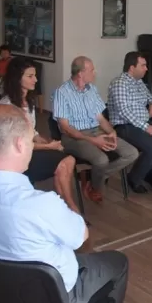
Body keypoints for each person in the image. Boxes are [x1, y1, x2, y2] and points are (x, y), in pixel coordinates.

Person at [0, 105, 129, 303]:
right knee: (118, 261)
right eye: (30, 141)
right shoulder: (41, 204)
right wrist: (70, 207)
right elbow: (81, 237)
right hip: (51, 298)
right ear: (19, 144)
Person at [53, 56, 139, 203]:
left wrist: (111, 131)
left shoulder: (92, 89)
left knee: (131, 153)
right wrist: (93, 140)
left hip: (96, 131)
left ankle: (93, 176)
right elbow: (65, 128)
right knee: (101, 160)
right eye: (92, 70)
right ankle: (96, 187)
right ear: (81, 73)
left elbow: (100, 119)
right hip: (74, 137)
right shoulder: (62, 92)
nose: (95, 72)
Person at [0, 57, 79, 212]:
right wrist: (48, 146)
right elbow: (15, 144)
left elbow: (31, 130)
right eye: (30, 76)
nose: (35, 80)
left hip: (30, 150)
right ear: (17, 78)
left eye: (35, 75)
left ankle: (65, 207)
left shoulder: (27, 101)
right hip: (16, 158)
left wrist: (44, 141)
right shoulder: (7, 106)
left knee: (67, 159)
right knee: (64, 162)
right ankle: (70, 208)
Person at [108, 52, 152, 194]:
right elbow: (124, 111)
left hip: (142, 123)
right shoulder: (119, 84)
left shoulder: (139, 82)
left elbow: (150, 97)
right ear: (131, 67)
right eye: (143, 65)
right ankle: (133, 178)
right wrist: (145, 127)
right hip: (125, 126)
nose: (146, 69)